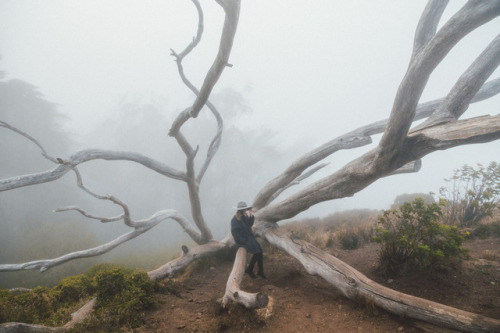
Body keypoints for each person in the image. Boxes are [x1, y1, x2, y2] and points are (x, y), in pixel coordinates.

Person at [230, 201, 266, 279]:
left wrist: (251, 214)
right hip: (243, 241)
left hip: (249, 237)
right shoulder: (234, 220)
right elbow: (235, 233)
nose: (246, 210)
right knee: (257, 252)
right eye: (245, 209)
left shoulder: (244, 216)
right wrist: (243, 241)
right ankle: (250, 269)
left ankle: (260, 271)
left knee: (260, 251)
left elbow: (249, 224)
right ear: (241, 210)